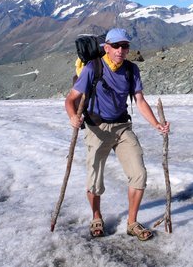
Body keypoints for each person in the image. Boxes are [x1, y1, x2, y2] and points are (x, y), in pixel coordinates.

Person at [64, 28, 170, 241]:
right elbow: (71, 99)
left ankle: (132, 223)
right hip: (97, 128)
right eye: (116, 46)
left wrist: (156, 124)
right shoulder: (92, 68)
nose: (121, 50)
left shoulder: (131, 70)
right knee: (94, 179)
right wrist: (73, 117)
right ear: (106, 47)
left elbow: (139, 100)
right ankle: (96, 216)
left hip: (122, 128)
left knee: (139, 174)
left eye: (125, 46)